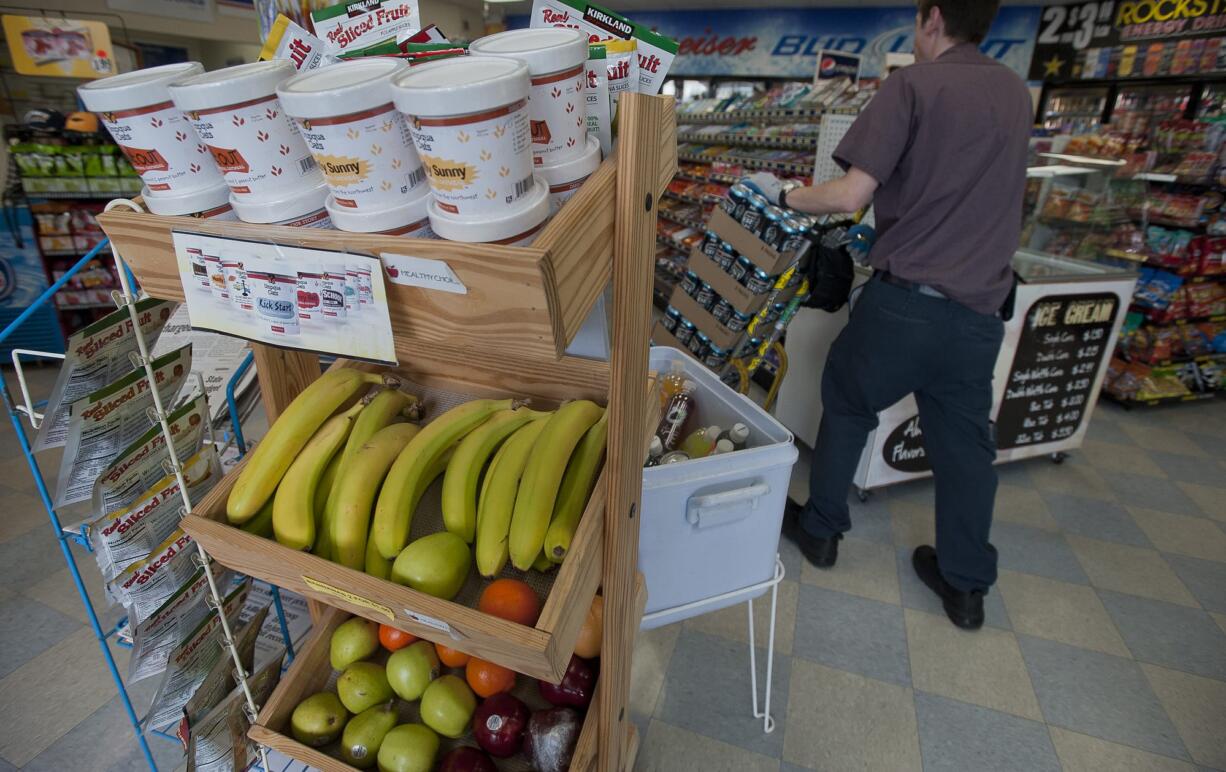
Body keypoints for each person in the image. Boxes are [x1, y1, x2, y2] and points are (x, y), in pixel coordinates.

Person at [745, 0, 1030, 630]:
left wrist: (782, 194)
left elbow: (850, 194)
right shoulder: (1015, 91)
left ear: (931, 18)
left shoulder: (912, 85)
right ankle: (965, 585)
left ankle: (821, 532)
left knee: (847, 401)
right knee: (965, 447)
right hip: (981, 310)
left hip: (906, 305)